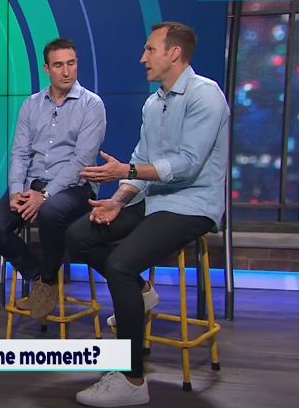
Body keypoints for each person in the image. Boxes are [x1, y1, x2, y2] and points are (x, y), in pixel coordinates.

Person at [66, 22, 229, 407]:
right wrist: (119, 200)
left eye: (150, 50)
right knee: (78, 236)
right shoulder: (154, 103)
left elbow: (187, 164)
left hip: (192, 205)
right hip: (154, 200)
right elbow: (141, 159)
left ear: (174, 53)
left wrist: (125, 172)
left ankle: (132, 378)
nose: (143, 58)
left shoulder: (206, 95)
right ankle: (141, 293)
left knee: (120, 264)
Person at [0, 38, 106, 319]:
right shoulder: (31, 104)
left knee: (50, 211)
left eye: (71, 63)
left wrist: (45, 196)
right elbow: (20, 153)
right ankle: (40, 278)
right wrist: (16, 191)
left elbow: (81, 161)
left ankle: (47, 281)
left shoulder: (92, 105)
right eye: (58, 65)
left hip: (76, 186)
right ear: (47, 69)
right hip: (32, 184)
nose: (66, 71)